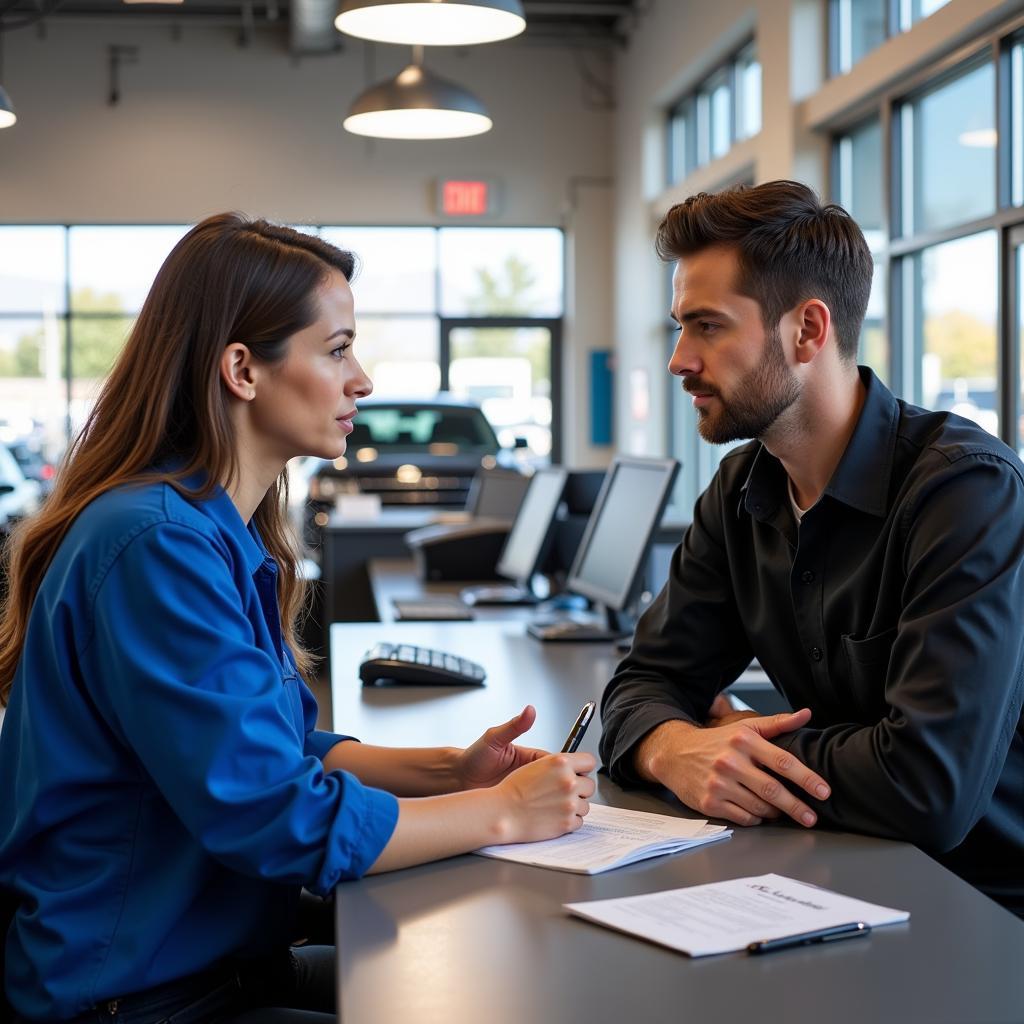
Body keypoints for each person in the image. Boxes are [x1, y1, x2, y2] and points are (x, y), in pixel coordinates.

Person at [0, 214, 596, 1024]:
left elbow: (272, 749)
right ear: (243, 370)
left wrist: (453, 771)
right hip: (135, 994)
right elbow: (273, 814)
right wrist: (505, 812)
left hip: (215, 956)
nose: (364, 380)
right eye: (338, 348)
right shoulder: (156, 544)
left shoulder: (212, 530)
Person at [599, 180, 1024, 918]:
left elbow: (929, 787)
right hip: (833, 873)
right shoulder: (740, 489)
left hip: (978, 907)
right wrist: (674, 747)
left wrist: (736, 750)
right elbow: (643, 682)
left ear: (807, 330)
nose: (677, 360)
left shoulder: (967, 492)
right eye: (679, 327)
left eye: (707, 327)